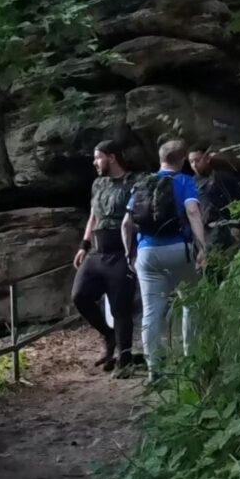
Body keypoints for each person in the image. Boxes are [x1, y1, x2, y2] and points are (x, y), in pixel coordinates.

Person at [121, 136, 211, 378]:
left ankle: (155, 370)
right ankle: (192, 360)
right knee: (191, 304)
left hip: (147, 253)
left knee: (151, 312)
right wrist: (202, 247)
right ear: (182, 160)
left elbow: (126, 224)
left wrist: (130, 253)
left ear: (160, 158)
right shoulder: (184, 181)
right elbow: (193, 212)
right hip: (179, 250)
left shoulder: (142, 184)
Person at [70, 140, 141, 371]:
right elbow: (93, 216)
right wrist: (84, 244)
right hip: (97, 251)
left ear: (111, 157)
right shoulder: (98, 184)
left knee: (121, 308)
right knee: (80, 296)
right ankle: (108, 335)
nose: (94, 162)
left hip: (121, 252)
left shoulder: (134, 182)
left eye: (98, 157)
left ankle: (125, 359)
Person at [188, 147, 240, 253]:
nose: (194, 165)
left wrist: (238, 226)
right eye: (191, 162)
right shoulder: (191, 185)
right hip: (207, 234)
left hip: (228, 229)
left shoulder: (223, 177)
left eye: (197, 160)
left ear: (207, 159)